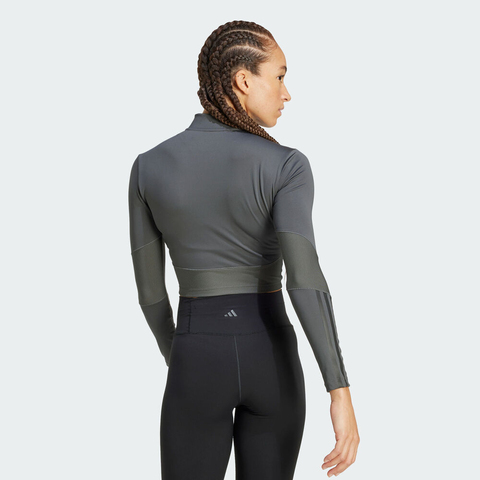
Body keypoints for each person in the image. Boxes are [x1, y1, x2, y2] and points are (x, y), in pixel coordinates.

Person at [128, 20, 360, 480]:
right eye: (280, 76)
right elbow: (305, 281)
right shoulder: (286, 165)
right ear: (243, 80)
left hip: (196, 356)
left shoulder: (148, 167)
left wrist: (187, 358)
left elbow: (151, 296)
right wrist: (339, 390)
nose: (286, 93)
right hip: (271, 359)